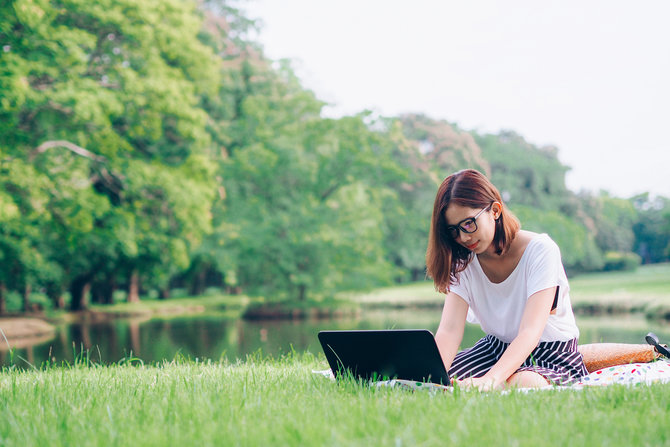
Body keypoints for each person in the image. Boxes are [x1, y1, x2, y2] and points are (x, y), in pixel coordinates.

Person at [426, 169, 587, 390]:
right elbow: (449, 331)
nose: (463, 237)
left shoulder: (541, 250)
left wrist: (491, 380)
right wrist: (433, 378)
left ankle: (498, 382)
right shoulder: (462, 262)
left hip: (550, 352)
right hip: (494, 349)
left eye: (469, 223)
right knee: (441, 379)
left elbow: (531, 331)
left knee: (524, 383)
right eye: (454, 230)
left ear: (495, 210)